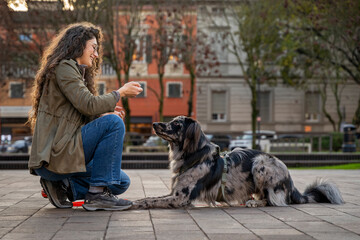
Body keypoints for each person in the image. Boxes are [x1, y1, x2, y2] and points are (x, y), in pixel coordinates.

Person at [27, 22, 143, 211]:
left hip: (65, 153)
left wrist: (103, 114)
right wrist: (119, 93)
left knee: (120, 182)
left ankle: (63, 185)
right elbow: (88, 104)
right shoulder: (64, 68)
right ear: (78, 45)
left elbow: (81, 112)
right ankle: (96, 195)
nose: (96, 54)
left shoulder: (74, 72)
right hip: (54, 156)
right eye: (93, 48)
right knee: (113, 123)